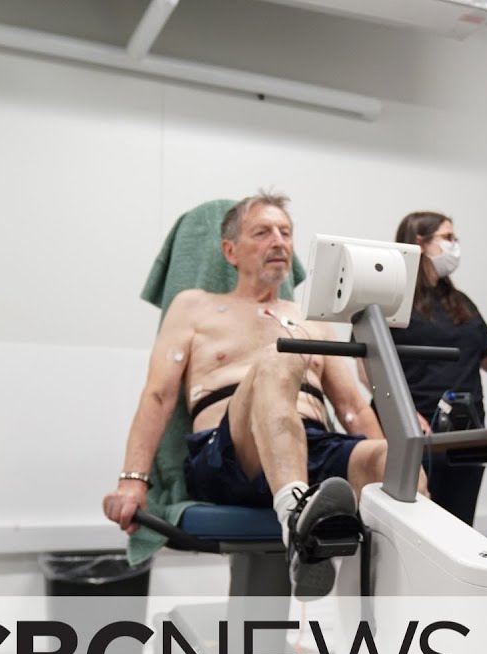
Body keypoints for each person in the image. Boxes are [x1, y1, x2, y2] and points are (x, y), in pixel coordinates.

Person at [102, 191, 416, 600]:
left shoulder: (310, 319)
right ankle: (297, 523)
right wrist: (132, 482)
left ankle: (400, 605)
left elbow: (353, 408)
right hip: (231, 456)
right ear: (229, 251)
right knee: (279, 355)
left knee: (398, 464)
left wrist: (393, 461)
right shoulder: (195, 306)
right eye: (262, 232)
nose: (279, 242)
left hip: (312, 447)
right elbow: (159, 396)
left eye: (285, 232)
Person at [374, 211, 487, 525]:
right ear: (420, 242)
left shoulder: (460, 302)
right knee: (414, 526)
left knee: (459, 527)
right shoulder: (391, 300)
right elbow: (368, 367)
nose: (455, 246)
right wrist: (403, 413)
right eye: (447, 238)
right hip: (414, 433)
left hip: (465, 434)